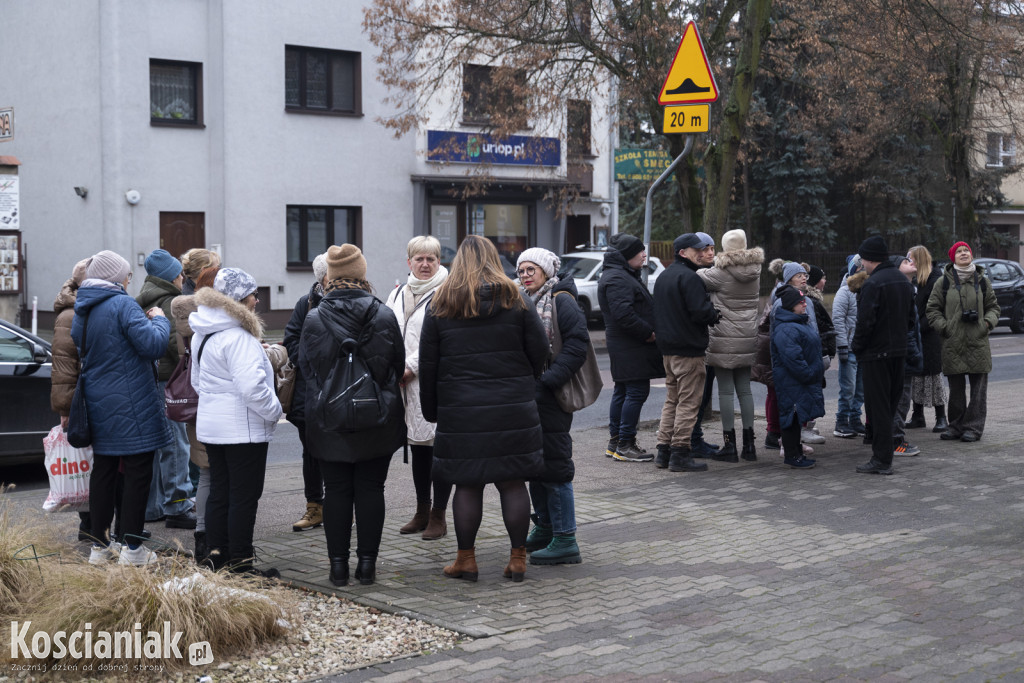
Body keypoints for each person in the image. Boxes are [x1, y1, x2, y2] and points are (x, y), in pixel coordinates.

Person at [419, 235, 548, 583]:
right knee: (512, 482)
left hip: (461, 412)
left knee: (468, 485)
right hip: (512, 408)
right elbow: (540, 350)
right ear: (494, 258)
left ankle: (466, 560)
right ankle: (518, 559)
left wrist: (432, 411)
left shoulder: (440, 302)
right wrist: (525, 381)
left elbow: (428, 365)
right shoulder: (516, 297)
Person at [299, 244, 406, 587]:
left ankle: (338, 567)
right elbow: (396, 366)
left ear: (329, 276)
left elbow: (306, 368)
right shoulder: (384, 314)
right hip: (377, 415)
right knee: (372, 489)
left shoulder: (314, 317)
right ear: (362, 274)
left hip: (329, 419)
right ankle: (367, 567)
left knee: (336, 490)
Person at [73, 250, 172, 566]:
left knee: (103, 472)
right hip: (132, 404)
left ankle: (100, 547)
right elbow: (153, 345)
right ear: (116, 278)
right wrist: (159, 320)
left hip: (99, 402)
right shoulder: (123, 304)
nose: (130, 280)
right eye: (127, 275)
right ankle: (133, 549)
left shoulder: (83, 310)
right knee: (138, 474)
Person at [190, 268, 283, 575]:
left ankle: (217, 558)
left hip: (213, 428)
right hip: (244, 431)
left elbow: (197, 382)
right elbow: (252, 388)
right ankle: (242, 564)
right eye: (254, 295)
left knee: (220, 493)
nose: (257, 300)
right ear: (242, 299)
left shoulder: (203, 333)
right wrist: (275, 410)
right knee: (243, 498)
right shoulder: (239, 338)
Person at [515, 248, 588, 566]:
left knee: (556, 465)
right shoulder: (523, 300)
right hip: (529, 394)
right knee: (535, 464)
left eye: (531, 269)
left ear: (546, 270)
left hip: (551, 395)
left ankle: (565, 538)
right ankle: (544, 527)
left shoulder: (562, 300)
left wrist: (548, 380)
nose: (526, 275)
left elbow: (577, 345)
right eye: (521, 271)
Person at [385, 237, 452, 541]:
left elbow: (442, 339)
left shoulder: (449, 292)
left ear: (440, 262)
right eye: (419, 259)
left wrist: (410, 366)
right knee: (417, 449)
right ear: (408, 262)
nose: (425, 265)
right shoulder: (397, 293)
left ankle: (439, 514)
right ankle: (421, 511)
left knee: (438, 449)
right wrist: (391, 366)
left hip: (433, 381)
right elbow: (385, 332)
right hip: (403, 385)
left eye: (432, 259)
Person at [137, 249, 196, 531]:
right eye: (179, 273)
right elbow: (176, 346)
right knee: (175, 444)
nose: (182, 277)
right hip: (168, 380)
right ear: (171, 276)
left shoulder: (142, 299)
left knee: (157, 445)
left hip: (148, 381)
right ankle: (178, 505)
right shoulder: (172, 303)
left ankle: (152, 508)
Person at [652, 233, 720, 472]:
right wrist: (714, 314)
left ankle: (663, 451)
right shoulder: (690, 278)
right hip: (689, 351)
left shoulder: (663, 276)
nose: (702, 253)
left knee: (672, 400)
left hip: (668, 351)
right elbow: (701, 312)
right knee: (689, 403)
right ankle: (680, 453)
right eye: (697, 250)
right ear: (683, 253)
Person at [851, 236, 916, 475]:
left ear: (868, 259)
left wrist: (857, 348)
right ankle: (884, 455)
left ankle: (881, 460)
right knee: (889, 406)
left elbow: (864, 322)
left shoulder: (873, 284)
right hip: (899, 353)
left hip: (876, 355)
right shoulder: (902, 280)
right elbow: (911, 319)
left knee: (877, 408)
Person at [170, 254, 220, 560]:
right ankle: (215, 538)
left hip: (193, 401)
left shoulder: (186, 315)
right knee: (216, 475)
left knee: (204, 472)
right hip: (211, 402)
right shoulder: (209, 318)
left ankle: (202, 535)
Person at [697, 229, 763, 461]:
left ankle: (729, 445)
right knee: (744, 390)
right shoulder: (755, 270)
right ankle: (750, 446)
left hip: (723, 336)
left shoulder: (720, 272)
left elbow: (698, 275)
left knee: (725, 391)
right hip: (747, 335)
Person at [597, 233, 663, 462]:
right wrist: (648, 333)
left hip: (626, 345)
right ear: (627, 255)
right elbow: (623, 314)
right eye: (640, 251)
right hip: (631, 345)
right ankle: (625, 443)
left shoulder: (619, 274)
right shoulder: (618, 278)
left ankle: (616, 443)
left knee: (623, 391)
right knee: (635, 392)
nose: (645, 255)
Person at [926, 240, 999, 442]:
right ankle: (956, 426)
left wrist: (986, 324)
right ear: (953, 257)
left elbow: (994, 307)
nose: (964, 253)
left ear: (971, 255)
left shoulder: (983, 280)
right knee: (956, 389)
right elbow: (932, 310)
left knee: (978, 391)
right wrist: (944, 327)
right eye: (959, 251)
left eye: (966, 250)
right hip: (953, 343)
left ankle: (973, 428)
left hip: (978, 342)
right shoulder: (943, 282)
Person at [50, 258, 95, 542]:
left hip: (82, 400)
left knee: (90, 464)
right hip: (82, 401)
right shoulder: (72, 313)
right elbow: (65, 370)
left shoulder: (74, 308)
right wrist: (66, 410)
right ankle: (91, 526)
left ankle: (91, 525)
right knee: (90, 464)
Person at [283, 253, 328, 533]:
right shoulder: (307, 303)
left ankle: (339, 506)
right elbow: (290, 339)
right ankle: (315, 507)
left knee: (339, 453)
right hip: (308, 392)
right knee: (311, 454)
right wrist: (313, 365)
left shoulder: (355, 301)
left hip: (340, 391)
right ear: (322, 276)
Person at [769, 285, 823, 469]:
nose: (805, 305)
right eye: (801, 302)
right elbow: (793, 358)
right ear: (791, 306)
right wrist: (809, 374)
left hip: (799, 381)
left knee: (796, 417)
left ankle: (796, 452)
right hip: (793, 381)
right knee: (790, 418)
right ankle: (792, 455)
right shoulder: (787, 328)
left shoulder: (798, 323)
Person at [906, 245, 948, 432]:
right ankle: (918, 415)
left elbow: (935, 311)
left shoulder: (936, 279)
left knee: (933, 376)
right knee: (917, 376)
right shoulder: (921, 280)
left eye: (910, 258)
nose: (908, 262)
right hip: (920, 334)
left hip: (930, 336)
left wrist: (917, 327)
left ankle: (941, 417)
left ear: (919, 259)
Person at [889, 255, 923, 457]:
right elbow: (905, 329)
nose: (911, 261)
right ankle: (895, 441)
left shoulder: (910, 289)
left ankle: (894, 437)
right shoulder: (899, 292)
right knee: (901, 400)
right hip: (903, 356)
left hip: (907, 354)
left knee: (903, 398)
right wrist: (914, 353)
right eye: (904, 261)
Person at [832, 256, 866, 438]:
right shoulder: (844, 292)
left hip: (862, 349)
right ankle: (841, 422)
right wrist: (842, 346)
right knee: (848, 388)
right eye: (861, 268)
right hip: (850, 349)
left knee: (860, 389)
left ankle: (855, 420)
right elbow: (837, 320)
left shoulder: (865, 291)